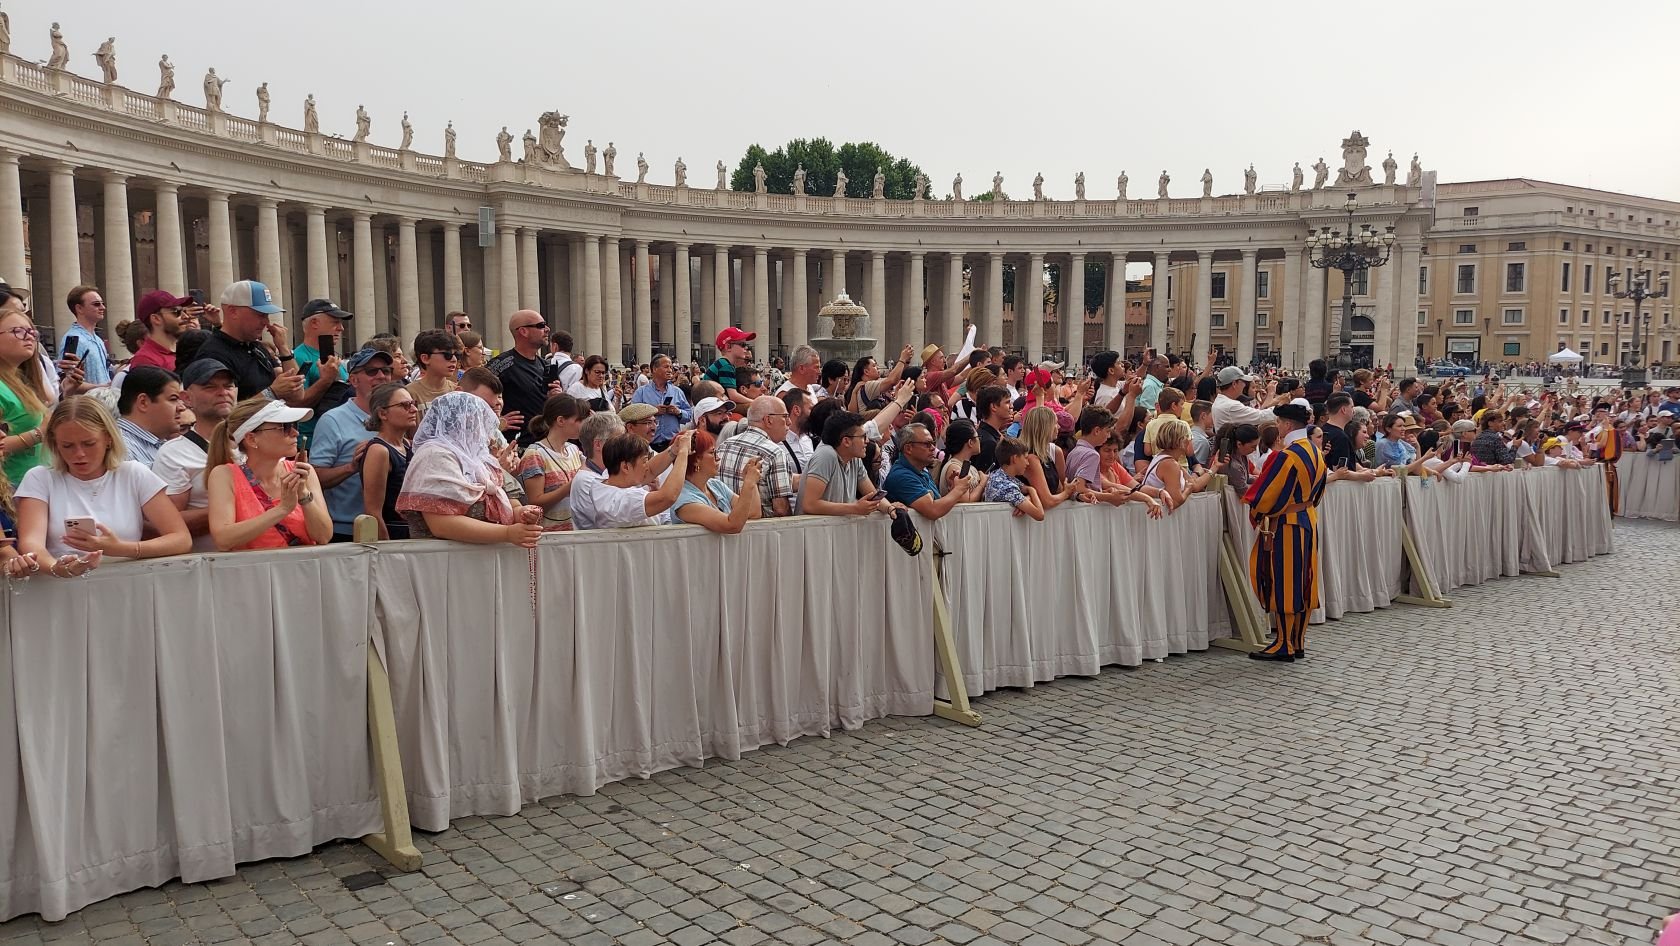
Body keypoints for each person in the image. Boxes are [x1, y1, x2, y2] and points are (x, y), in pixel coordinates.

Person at [11, 395, 191, 577]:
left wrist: (122, 548)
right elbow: (31, 543)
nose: (79, 454)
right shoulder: (39, 478)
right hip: (60, 586)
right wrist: (56, 568)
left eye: (89, 444)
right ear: (55, 444)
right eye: (67, 446)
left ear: (108, 439)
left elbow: (181, 539)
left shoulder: (134, 474)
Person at [395, 391, 542, 546]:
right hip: (443, 558)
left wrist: (522, 513)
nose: (483, 430)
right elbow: (442, 525)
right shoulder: (433, 456)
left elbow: (505, 499)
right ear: (459, 422)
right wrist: (507, 533)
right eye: (477, 421)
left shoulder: (480, 459)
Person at [1243, 401, 1327, 662]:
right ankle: (1297, 641)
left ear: (1288, 425)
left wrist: (1256, 512)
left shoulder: (1287, 456)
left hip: (1286, 523)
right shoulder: (1316, 452)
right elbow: (1319, 492)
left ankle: (1283, 643)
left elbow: (1266, 495)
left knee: (1285, 581)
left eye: (1279, 422)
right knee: (1304, 580)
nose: (1277, 426)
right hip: (1308, 518)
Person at [205, 398, 332, 549]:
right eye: (284, 427)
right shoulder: (224, 475)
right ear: (251, 439)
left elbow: (323, 536)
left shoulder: (304, 471)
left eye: (294, 425)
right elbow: (223, 539)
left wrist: (303, 494)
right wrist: (282, 509)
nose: (295, 432)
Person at [152, 358, 239, 551]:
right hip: (208, 560)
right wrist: (239, 505)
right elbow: (169, 523)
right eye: (210, 387)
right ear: (187, 398)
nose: (223, 392)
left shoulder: (257, 439)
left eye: (228, 386)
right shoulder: (174, 453)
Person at [311, 348, 393, 542]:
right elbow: (314, 477)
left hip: (391, 524)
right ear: (354, 380)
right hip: (347, 529)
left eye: (386, 370)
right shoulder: (333, 420)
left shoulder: (397, 415)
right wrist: (351, 467)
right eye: (372, 371)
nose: (381, 376)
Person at [194, 280, 305, 403]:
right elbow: (222, 409)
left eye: (267, 315)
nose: (266, 322)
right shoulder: (213, 354)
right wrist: (272, 393)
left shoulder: (256, 347)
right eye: (260, 315)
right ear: (233, 311)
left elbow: (297, 395)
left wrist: (284, 349)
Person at [583, 430, 694, 529]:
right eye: (644, 461)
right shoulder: (620, 502)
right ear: (625, 467)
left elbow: (651, 470)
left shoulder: (609, 478)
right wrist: (683, 452)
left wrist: (674, 449)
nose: (647, 466)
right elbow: (668, 497)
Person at [714, 395, 798, 517]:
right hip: (761, 526)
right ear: (768, 420)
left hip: (726, 523)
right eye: (785, 416)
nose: (789, 422)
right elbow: (781, 510)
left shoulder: (724, 445)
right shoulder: (775, 453)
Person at [517, 394, 590, 530]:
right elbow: (535, 502)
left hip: (576, 531)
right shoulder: (535, 454)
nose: (584, 424)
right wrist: (570, 486)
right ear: (560, 420)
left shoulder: (574, 449)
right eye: (579, 419)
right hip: (549, 534)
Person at [488, 310, 560, 446]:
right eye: (541, 325)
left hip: (544, 444)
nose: (547, 329)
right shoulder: (501, 364)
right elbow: (476, 398)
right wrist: (497, 421)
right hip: (516, 446)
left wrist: (555, 398)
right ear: (523, 331)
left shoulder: (545, 365)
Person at [801, 409, 891, 517]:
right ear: (846, 441)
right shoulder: (825, 455)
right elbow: (810, 504)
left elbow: (871, 493)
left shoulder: (855, 458)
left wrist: (890, 509)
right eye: (863, 437)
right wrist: (855, 508)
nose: (867, 441)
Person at [668, 429, 761, 533]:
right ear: (696, 460)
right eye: (712, 452)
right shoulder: (684, 500)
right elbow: (731, 525)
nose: (718, 458)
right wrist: (748, 484)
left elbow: (753, 513)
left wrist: (750, 481)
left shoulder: (715, 485)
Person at [883, 423, 981, 519]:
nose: (933, 448)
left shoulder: (922, 471)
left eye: (933, 443)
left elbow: (937, 502)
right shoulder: (901, 476)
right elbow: (933, 510)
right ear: (908, 448)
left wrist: (952, 489)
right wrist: (958, 490)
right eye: (927, 444)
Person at [288, 299, 353, 443]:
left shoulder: (333, 357)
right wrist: (326, 380)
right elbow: (297, 405)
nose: (341, 328)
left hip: (339, 437)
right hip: (312, 441)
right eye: (335, 322)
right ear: (314, 323)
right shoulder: (298, 357)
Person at [359, 382, 418, 540]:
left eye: (413, 403)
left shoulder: (409, 445)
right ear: (382, 414)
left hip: (413, 535)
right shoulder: (379, 451)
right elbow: (373, 512)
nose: (414, 409)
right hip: (394, 537)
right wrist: (387, 549)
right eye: (405, 405)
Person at [0, 305, 52, 484]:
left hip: (36, 483)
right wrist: (39, 434)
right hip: (13, 487)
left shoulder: (21, 380)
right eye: (18, 331)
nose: (29, 336)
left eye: (31, 332)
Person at [115, 365, 183, 467]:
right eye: (173, 399)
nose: (182, 407)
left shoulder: (161, 443)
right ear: (143, 402)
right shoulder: (120, 449)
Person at [1140, 418, 1212, 510]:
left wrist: (1213, 468)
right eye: (1187, 437)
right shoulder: (1170, 464)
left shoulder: (1164, 458)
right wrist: (1188, 490)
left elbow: (1193, 483)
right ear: (1181, 441)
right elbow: (1175, 502)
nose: (1189, 440)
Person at [629, 353, 691, 450]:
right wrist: (653, 411)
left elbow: (689, 415)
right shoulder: (641, 392)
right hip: (648, 446)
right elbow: (632, 416)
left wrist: (678, 412)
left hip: (672, 445)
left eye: (671, 367)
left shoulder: (677, 392)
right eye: (666, 367)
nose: (670, 370)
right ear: (654, 369)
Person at [128, 290, 194, 372]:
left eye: (184, 311)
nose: (186, 316)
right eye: (176, 312)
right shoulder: (145, 360)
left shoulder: (184, 352)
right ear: (156, 319)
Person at [60, 285, 113, 387]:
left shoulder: (98, 340)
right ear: (79, 308)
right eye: (96, 304)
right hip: (88, 397)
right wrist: (104, 387)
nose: (102, 307)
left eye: (102, 303)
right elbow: (68, 384)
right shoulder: (73, 340)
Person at [406, 328, 461, 413]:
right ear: (425, 358)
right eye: (447, 355)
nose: (454, 359)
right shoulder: (409, 393)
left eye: (456, 355)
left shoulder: (457, 391)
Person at [705, 327, 757, 408]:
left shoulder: (723, 363)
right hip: (710, 407)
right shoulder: (726, 366)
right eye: (743, 345)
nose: (746, 348)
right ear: (728, 347)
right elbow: (733, 396)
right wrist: (757, 402)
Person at [936, 418, 982, 497]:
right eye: (978, 437)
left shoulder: (969, 467)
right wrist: (982, 483)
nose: (980, 441)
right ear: (970, 442)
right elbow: (966, 500)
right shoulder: (954, 468)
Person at [1214, 423, 1262, 494]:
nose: (1255, 450)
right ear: (1239, 444)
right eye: (1253, 447)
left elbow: (1245, 477)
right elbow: (1243, 491)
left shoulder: (1243, 456)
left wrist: (1257, 479)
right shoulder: (1232, 465)